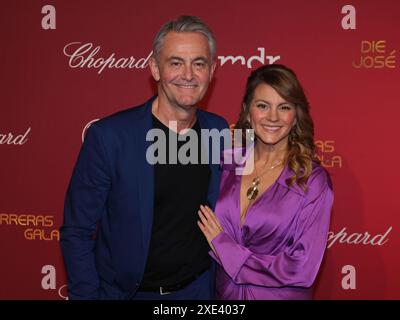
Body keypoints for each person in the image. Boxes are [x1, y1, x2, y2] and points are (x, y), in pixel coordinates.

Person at [60, 15, 228, 300]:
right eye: (175, 62)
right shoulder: (110, 137)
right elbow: (77, 231)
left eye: (198, 63)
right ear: (155, 68)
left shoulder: (218, 129)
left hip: (198, 291)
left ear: (211, 70)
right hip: (129, 294)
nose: (188, 74)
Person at [198, 64, 334, 299]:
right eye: (262, 106)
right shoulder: (227, 162)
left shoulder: (311, 180)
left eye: (284, 107)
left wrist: (226, 249)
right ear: (248, 111)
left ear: (296, 116)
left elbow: (303, 268)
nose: (273, 117)